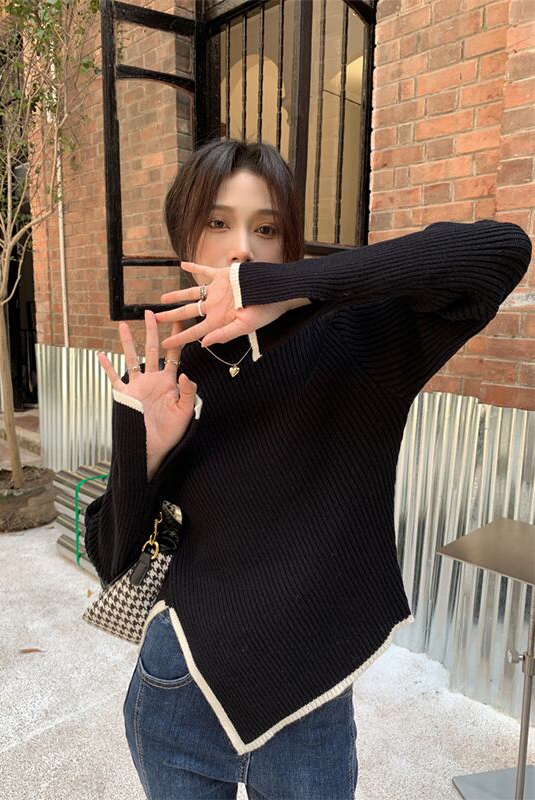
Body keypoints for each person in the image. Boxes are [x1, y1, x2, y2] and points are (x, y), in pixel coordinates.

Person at [84, 138, 532, 800]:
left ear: (290, 241)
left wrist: (289, 290)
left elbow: (500, 252)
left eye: (266, 229)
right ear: (185, 234)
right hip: (177, 691)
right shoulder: (172, 368)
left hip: (309, 708)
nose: (242, 249)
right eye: (217, 222)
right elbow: (108, 556)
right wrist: (147, 449)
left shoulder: (357, 342)